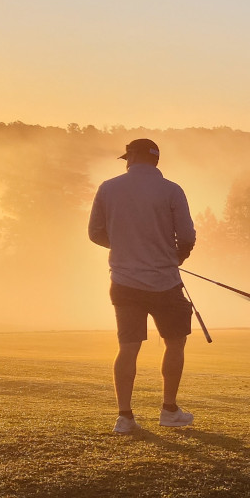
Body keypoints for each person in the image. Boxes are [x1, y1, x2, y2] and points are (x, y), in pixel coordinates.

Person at [88, 137, 198, 433]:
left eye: (127, 157)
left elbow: (95, 233)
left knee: (128, 348)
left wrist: (126, 247)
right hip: (165, 282)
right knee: (175, 344)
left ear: (133, 157)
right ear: (155, 160)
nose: (125, 162)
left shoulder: (108, 188)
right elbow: (186, 236)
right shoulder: (172, 190)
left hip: (125, 282)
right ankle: (169, 410)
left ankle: (125, 417)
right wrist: (177, 256)